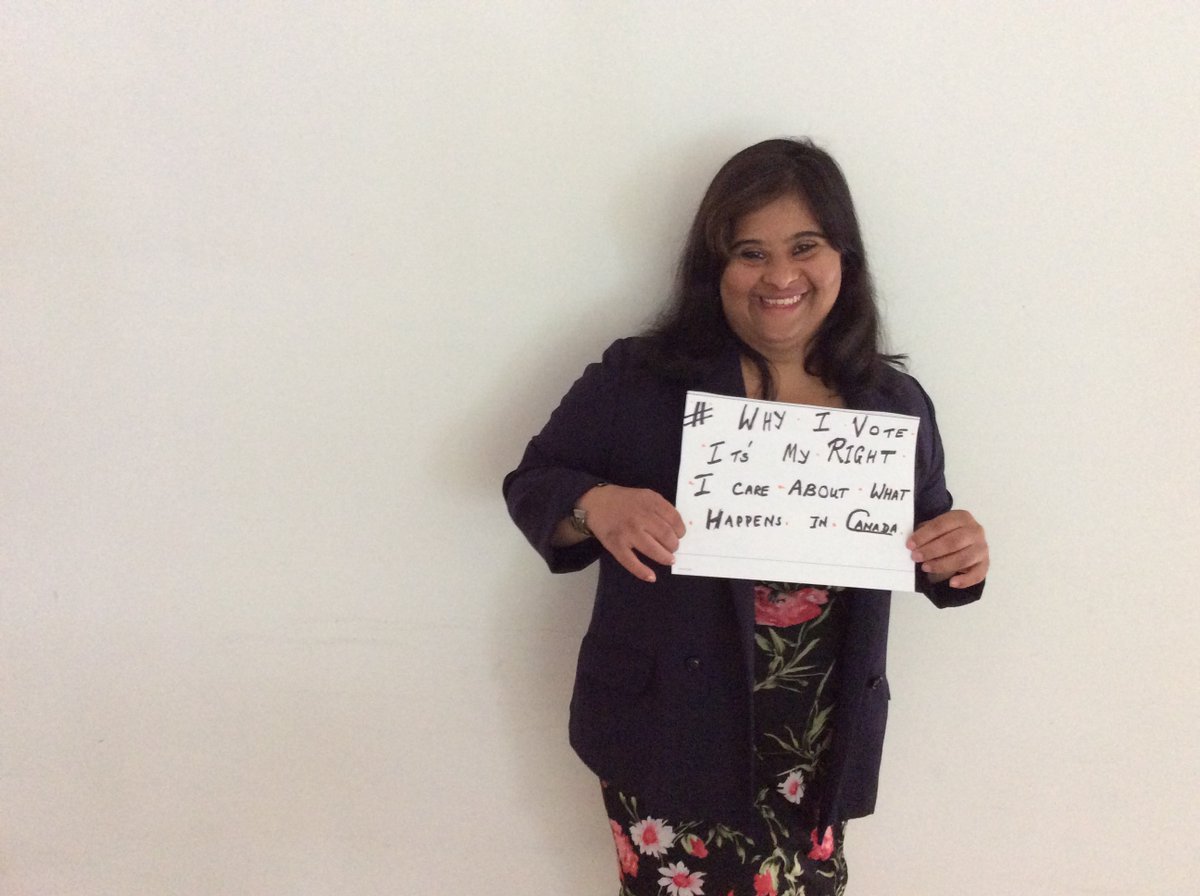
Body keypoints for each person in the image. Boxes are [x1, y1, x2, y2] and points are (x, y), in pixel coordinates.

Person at [503, 138, 988, 896]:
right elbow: (532, 484)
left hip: (816, 752)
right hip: (669, 737)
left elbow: (928, 541)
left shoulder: (893, 404)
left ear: (843, 258)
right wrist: (596, 505)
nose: (781, 277)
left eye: (805, 247)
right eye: (750, 253)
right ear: (714, 268)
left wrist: (960, 552)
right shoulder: (640, 380)